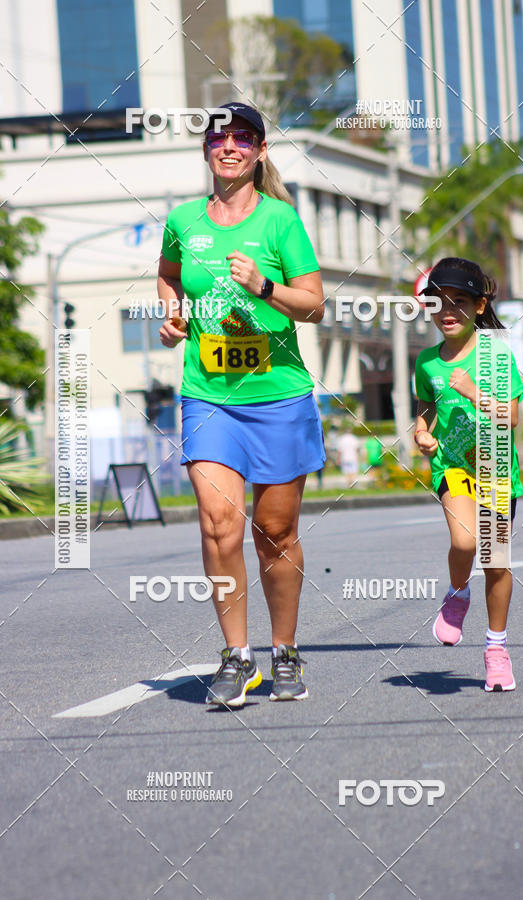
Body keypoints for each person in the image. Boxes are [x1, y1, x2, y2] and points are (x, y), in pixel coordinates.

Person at [157, 102, 325, 707]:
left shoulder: (281, 222)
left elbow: (315, 304)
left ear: (257, 151)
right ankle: (236, 655)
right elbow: (169, 274)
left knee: (275, 531)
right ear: (206, 149)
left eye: (243, 137)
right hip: (210, 397)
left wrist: (263, 287)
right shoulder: (182, 219)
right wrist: (172, 315)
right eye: (219, 137)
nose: (230, 146)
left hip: (278, 396)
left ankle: (285, 651)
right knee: (217, 523)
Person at [413, 257, 523, 692]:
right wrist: (422, 432)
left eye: (458, 301)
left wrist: (473, 391)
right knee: (464, 540)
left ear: (479, 306)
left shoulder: (495, 353)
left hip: (496, 465)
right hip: (453, 466)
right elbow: (426, 407)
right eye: (438, 302)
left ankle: (496, 649)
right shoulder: (426, 361)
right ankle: (458, 594)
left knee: (496, 562)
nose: (447, 311)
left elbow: (511, 417)